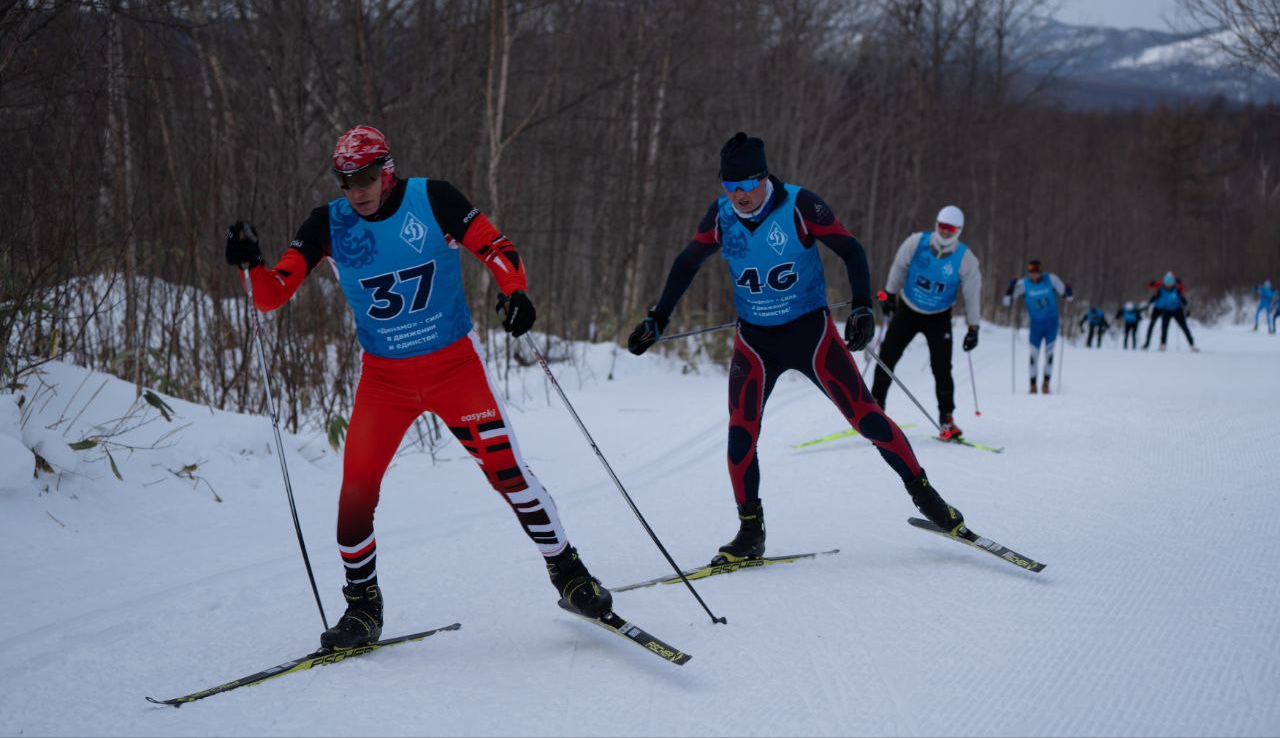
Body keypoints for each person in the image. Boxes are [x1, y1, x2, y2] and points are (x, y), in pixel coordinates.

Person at [224, 125, 612, 650]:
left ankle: (569, 574)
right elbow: (270, 296)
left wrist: (515, 292)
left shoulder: (433, 198)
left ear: (387, 171)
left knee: (509, 475)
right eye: (345, 180)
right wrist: (250, 263)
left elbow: (496, 247)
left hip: (455, 370)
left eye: (365, 177)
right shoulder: (328, 223)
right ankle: (363, 609)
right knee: (355, 494)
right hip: (385, 382)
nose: (356, 190)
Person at [625, 132, 967, 565]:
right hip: (755, 342)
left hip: (811, 335)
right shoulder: (721, 216)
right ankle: (750, 532)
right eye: (730, 186)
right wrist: (658, 318)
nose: (739, 195)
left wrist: (862, 307)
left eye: (747, 185)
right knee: (741, 433)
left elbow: (851, 249)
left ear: (764, 177)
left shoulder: (800, 205)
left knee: (866, 417)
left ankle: (929, 499)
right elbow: (687, 261)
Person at [871, 205, 982, 440]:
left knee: (941, 368)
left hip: (939, 317)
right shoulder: (916, 242)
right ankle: (874, 410)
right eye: (942, 226)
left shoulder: (965, 258)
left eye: (951, 228)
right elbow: (899, 266)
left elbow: (972, 293)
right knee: (887, 356)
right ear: (936, 225)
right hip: (908, 310)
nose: (945, 232)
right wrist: (890, 293)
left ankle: (946, 419)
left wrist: (974, 327)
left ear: (959, 230)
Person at [1001, 259, 1072, 394]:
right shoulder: (1023, 284)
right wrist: (1010, 288)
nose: (1034, 274)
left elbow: (1068, 297)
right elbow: (1006, 302)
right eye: (1031, 272)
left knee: (1049, 355)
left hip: (1051, 323)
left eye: (1036, 271)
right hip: (1036, 325)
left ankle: (1046, 384)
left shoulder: (1051, 279)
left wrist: (1068, 291)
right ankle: (1033, 385)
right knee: (1034, 355)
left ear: (1041, 271)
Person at [1144, 271, 1197, 351]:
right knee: (1164, 327)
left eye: (1170, 282)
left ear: (1173, 283)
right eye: (1167, 282)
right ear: (1164, 282)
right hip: (1166, 311)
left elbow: (1183, 300)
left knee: (1184, 327)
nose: (1168, 284)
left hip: (1177, 310)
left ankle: (1192, 344)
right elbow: (1154, 297)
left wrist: (1187, 309)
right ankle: (1163, 344)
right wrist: (1148, 304)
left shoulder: (1177, 290)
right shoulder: (1160, 289)